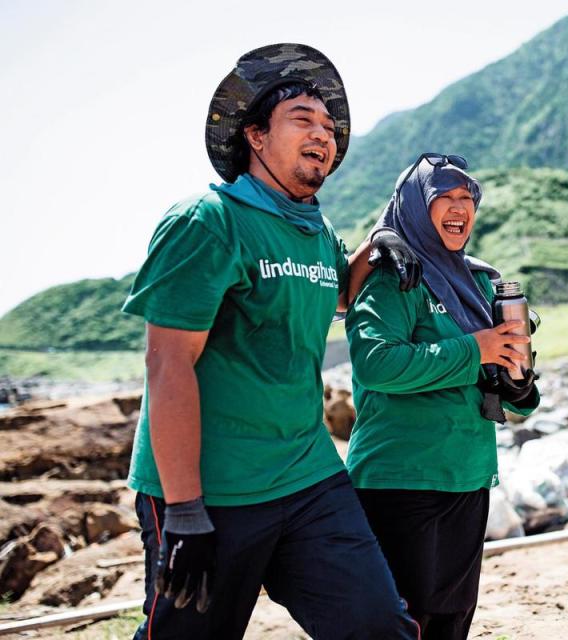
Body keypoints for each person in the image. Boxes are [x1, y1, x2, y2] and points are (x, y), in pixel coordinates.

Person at [121, 43, 420, 639]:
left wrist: (374, 249)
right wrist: (182, 511)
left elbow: (329, 290)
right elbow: (168, 362)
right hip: (212, 491)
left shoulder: (314, 228)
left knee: (378, 626)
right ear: (256, 137)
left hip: (308, 476)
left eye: (329, 127)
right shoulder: (208, 221)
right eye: (302, 119)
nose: (324, 134)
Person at [344, 153, 541, 639]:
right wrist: (475, 348)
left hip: (467, 478)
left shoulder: (478, 282)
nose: (459, 207)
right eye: (443, 198)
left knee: (451, 621)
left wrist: (518, 382)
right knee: (400, 623)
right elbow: (377, 364)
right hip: (400, 482)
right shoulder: (395, 277)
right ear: (414, 206)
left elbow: (511, 396)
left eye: (466, 198)